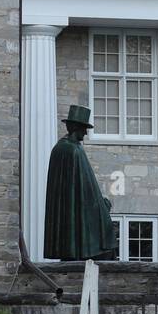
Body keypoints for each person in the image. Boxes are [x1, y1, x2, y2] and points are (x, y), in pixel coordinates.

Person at [43, 105, 118, 261]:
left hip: (74, 208)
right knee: (106, 229)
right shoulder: (73, 151)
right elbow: (87, 189)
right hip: (79, 208)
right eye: (84, 129)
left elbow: (83, 185)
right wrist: (101, 205)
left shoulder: (60, 148)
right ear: (76, 127)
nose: (85, 132)